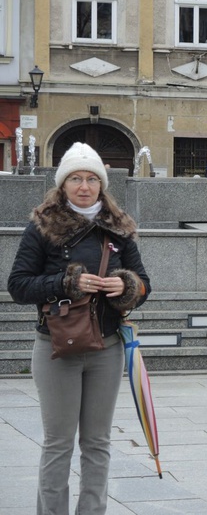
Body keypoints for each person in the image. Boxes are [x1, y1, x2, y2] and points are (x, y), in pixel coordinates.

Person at [7, 142, 151, 515]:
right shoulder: (42, 226)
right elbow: (19, 285)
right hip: (57, 348)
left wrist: (127, 286)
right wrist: (67, 282)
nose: (84, 186)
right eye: (75, 178)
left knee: (98, 442)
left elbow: (145, 283)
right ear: (63, 184)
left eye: (91, 178)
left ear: (101, 185)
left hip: (107, 348)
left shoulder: (119, 228)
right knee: (58, 443)